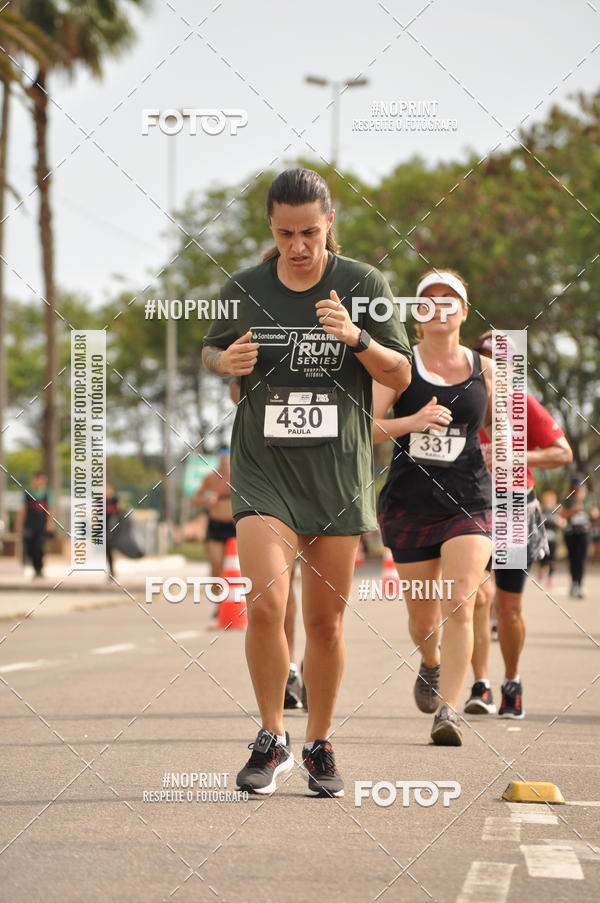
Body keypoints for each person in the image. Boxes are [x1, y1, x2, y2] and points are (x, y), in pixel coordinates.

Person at [202, 167, 411, 796]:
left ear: (330, 226)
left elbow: (399, 374)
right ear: (271, 226)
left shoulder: (363, 284)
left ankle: (319, 742)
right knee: (266, 605)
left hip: (337, 474)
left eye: (310, 232)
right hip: (265, 470)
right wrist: (225, 362)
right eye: (287, 232)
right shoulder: (243, 289)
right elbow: (211, 352)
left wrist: (356, 338)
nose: (298, 245)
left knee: (325, 624)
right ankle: (271, 736)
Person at [374, 269, 493, 747]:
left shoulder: (489, 368)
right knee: (424, 618)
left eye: (451, 301)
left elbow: (507, 431)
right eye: (429, 300)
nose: (440, 308)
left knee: (461, 599)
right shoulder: (400, 366)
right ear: (417, 314)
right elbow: (367, 428)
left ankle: (448, 709)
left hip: (469, 499)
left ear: (464, 312)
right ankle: (430, 663)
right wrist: (413, 420)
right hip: (409, 504)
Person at [466, 330, 573, 719]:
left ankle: (511, 681)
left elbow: (563, 453)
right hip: (471, 511)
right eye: (486, 358)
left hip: (513, 510)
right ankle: (481, 685)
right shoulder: (461, 404)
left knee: (509, 608)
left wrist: (518, 456)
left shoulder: (522, 404)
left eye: (502, 361)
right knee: (477, 598)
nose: (493, 367)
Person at [229, 377, 303, 709]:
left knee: (320, 607)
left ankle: (309, 666)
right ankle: (286, 669)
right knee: (275, 594)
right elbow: (234, 389)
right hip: (265, 480)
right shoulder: (259, 335)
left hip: (320, 478)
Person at [15, 472, 53, 579]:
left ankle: (39, 569)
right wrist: (19, 524)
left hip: (42, 525)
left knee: (39, 547)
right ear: (34, 480)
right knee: (30, 548)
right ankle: (35, 567)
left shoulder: (47, 493)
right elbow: (23, 510)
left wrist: (49, 523)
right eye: (39, 479)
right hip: (29, 525)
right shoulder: (27, 493)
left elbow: (51, 509)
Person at [560, 476, 591, 599]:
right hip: (571, 533)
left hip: (584, 532)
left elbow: (594, 512)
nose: (578, 489)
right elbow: (562, 514)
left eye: (580, 486)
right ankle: (573, 584)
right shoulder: (567, 499)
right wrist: (574, 509)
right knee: (573, 559)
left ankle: (580, 584)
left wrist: (592, 511)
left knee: (582, 559)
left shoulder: (588, 499)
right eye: (576, 487)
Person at [536, 490, 562, 587]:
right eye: (546, 501)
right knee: (543, 558)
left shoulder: (557, 511)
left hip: (554, 540)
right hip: (543, 540)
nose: (548, 503)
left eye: (551, 501)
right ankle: (542, 570)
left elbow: (562, 522)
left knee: (552, 560)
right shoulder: (540, 510)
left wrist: (558, 521)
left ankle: (550, 578)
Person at [105, 482, 122, 579]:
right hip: (105, 529)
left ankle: (112, 571)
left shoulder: (114, 500)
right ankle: (111, 572)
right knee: (108, 551)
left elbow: (120, 510)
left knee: (111, 549)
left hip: (114, 529)